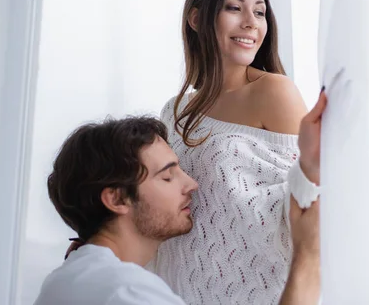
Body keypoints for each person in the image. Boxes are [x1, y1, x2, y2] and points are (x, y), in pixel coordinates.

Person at [33, 91, 325, 305]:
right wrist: (308, 258)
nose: (192, 184)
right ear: (117, 199)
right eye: (167, 176)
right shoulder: (128, 293)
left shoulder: (63, 281)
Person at [151, 0, 321, 304]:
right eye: (234, 7)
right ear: (196, 19)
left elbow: (307, 195)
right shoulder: (174, 111)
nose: (251, 23)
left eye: (260, 12)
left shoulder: (274, 92)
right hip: (177, 289)